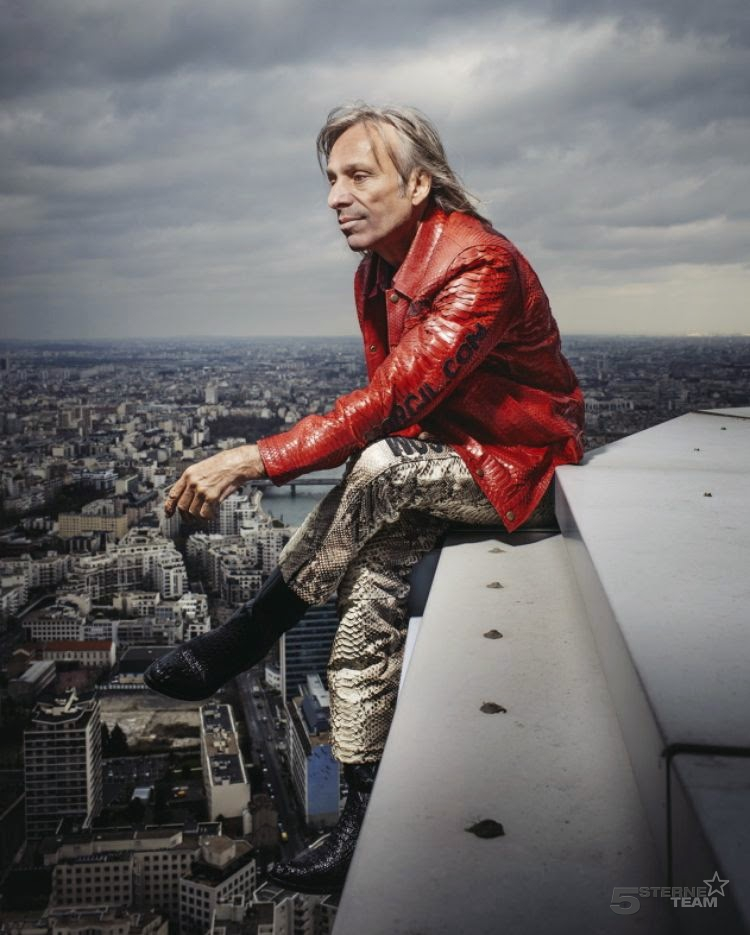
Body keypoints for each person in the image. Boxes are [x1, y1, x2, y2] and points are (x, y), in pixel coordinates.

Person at [144, 103, 585, 893]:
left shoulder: (480, 265)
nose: (335, 197)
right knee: (369, 588)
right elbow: (401, 405)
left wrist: (255, 457)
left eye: (357, 175)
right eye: (330, 179)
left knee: (381, 465)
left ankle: (250, 632)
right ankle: (360, 807)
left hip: (521, 467)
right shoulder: (377, 273)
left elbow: (388, 405)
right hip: (440, 462)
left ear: (417, 184)